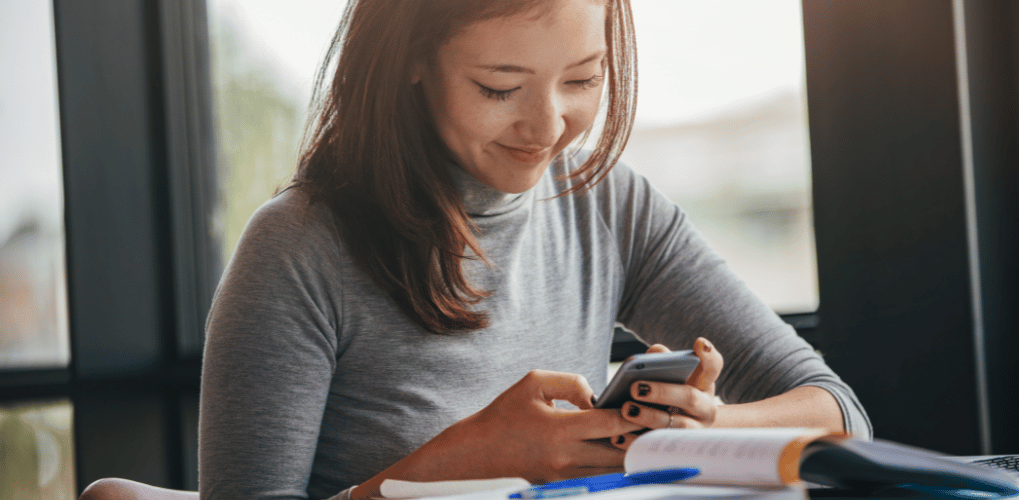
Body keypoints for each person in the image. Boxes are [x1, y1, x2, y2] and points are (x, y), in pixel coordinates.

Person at [198, 0, 872, 499]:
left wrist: (704, 425)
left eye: (582, 80)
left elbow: (838, 416)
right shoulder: (297, 249)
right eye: (500, 87)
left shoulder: (607, 205)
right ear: (410, 58)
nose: (548, 126)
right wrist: (454, 464)